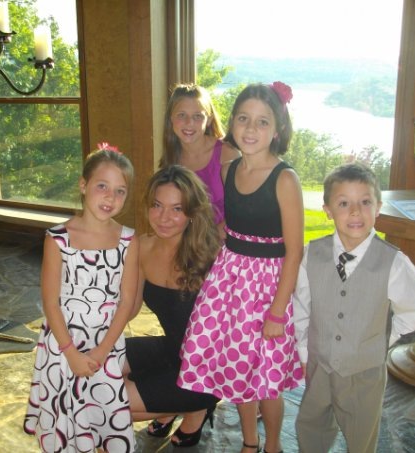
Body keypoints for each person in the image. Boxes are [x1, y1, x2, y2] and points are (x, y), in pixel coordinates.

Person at [177, 82, 305, 453]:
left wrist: (277, 311)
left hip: (267, 290)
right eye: (244, 119)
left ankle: (273, 445)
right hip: (230, 283)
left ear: (277, 129)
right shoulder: (230, 171)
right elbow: (229, 227)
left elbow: (294, 252)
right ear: (232, 123)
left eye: (262, 122)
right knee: (237, 368)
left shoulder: (285, 179)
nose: (251, 129)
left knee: (266, 380)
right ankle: (250, 442)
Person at [293, 163, 415, 453]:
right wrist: (305, 352)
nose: (355, 212)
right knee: (311, 424)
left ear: (378, 208)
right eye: (344, 203)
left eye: (365, 202)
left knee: (362, 433)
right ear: (328, 210)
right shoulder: (311, 255)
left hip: (365, 373)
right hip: (319, 365)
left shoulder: (393, 262)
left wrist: (383, 339)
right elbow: (301, 307)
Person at [24, 145, 139, 453]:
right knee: (67, 419)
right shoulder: (58, 238)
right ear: (83, 185)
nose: (110, 197)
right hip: (64, 346)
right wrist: (71, 354)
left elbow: (126, 301)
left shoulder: (128, 239)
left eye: (120, 191)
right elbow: (50, 302)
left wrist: (102, 350)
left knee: (104, 413)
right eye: (102, 186)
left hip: (106, 345)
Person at [123, 165, 221, 447]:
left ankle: (196, 407)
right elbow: (129, 307)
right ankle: (173, 407)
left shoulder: (213, 255)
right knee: (93, 369)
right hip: (171, 349)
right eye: (157, 205)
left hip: (206, 372)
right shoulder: (142, 245)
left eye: (176, 209)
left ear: (192, 212)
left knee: (107, 402)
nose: (163, 218)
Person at [161, 83, 240, 237]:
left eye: (197, 116)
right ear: (171, 118)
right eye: (181, 115)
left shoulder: (227, 154)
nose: (189, 122)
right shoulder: (171, 161)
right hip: (189, 242)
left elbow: (242, 210)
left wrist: (209, 242)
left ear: (209, 119)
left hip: (226, 242)